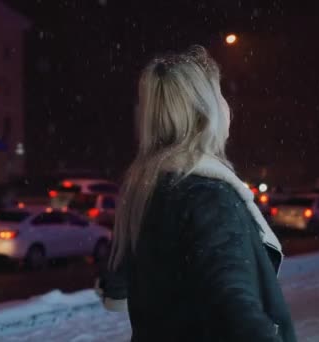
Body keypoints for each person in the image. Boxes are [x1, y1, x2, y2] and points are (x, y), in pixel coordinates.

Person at [96, 45, 297, 342]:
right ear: (205, 113)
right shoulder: (209, 198)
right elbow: (237, 313)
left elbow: (120, 281)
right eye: (221, 95)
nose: (228, 106)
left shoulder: (150, 190)